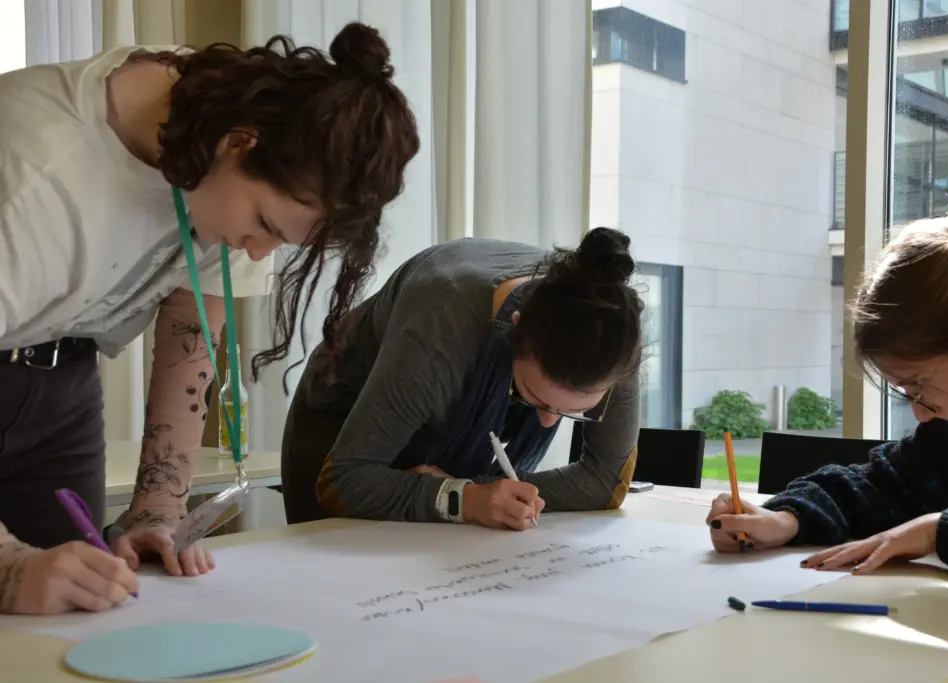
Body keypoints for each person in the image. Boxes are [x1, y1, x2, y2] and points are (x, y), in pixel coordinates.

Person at [0, 22, 420, 614]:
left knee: (71, 607)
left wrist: (158, 507)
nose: (255, 253)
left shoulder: (221, 116)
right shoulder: (32, 172)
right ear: (238, 145)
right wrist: (9, 569)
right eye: (267, 226)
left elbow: (190, 330)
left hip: (60, 377)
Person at [706, 186, 948, 587]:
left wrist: (940, 531)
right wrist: (788, 518)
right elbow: (883, 485)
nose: (921, 413)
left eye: (920, 385)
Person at [281, 228, 644, 530]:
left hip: (445, 435)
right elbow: (344, 481)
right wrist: (463, 498)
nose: (548, 422)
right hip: (340, 427)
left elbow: (605, 482)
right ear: (514, 330)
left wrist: (473, 491)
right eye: (534, 397)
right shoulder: (442, 326)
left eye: (575, 412)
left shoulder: (611, 336)